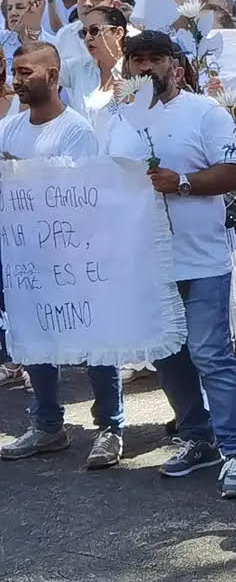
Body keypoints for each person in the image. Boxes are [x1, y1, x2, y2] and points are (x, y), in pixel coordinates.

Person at [123, 30, 236, 498]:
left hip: (201, 259)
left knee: (210, 354)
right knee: (167, 355)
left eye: (153, 59)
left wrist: (179, 182)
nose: (143, 67)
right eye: (135, 59)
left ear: (174, 67)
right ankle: (197, 437)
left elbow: (234, 173)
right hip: (147, 263)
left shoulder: (205, 112)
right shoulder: (116, 118)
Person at [0, 42, 121, 470]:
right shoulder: (10, 128)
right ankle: (48, 423)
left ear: (53, 76)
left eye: (26, 72)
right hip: (22, 255)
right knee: (34, 339)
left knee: (92, 341)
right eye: (14, 71)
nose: (17, 80)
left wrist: (19, 171)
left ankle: (110, 426)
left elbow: (81, 191)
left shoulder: (76, 130)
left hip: (71, 253)